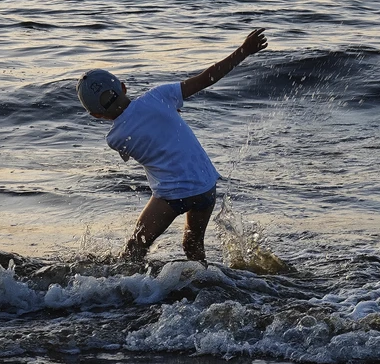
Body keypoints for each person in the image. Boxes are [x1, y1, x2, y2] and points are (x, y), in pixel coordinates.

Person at [76, 29, 268, 263]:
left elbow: (141, 134)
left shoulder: (114, 139)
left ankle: (129, 295)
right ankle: (207, 283)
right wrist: (244, 50)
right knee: (192, 244)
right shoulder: (160, 96)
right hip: (205, 186)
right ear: (123, 87)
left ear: (96, 115)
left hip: (172, 195)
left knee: (134, 250)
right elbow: (207, 78)